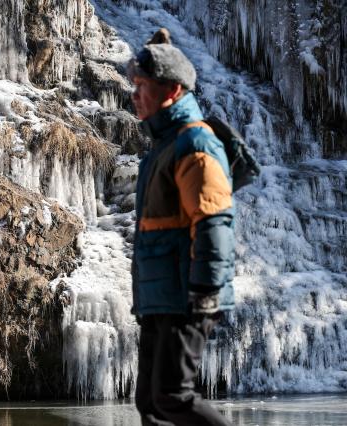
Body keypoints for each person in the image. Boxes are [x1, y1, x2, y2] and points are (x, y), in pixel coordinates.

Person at [128, 29, 235, 426]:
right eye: (134, 85)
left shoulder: (194, 144)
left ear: (171, 90)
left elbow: (213, 220)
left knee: (173, 396)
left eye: (143, 86)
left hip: (186, 295)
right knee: (151, 404)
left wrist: (206, 290)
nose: (135, 94)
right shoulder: (163, 146)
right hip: (159, 297)